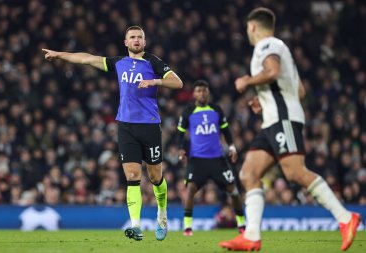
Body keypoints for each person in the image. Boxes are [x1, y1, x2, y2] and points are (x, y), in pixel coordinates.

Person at [219, 8, 361, 251]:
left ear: (253, 27)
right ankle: (252, 236)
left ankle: (347, 218)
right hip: (273, 120)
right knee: (248, 174)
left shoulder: (267, 46)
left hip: (282, 120)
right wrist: (264, 100)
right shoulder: (280, 48)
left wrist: (248, 82)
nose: (247, 32)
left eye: (247, 28)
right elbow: (300, 91)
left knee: (295, 172)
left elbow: (272, 71)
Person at [43, 26, 183, 241]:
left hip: (149, 125)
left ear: (144, 42)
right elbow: (87, 59)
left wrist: (155, 81)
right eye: (132, 37)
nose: (136, 40)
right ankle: (136, 227)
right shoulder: (118, 62)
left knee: (155, 178)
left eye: (140, 37)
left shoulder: (152, 61)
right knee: (133, 176)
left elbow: (178, 82)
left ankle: (162, 214)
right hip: (126, 126)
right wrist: (60, 55)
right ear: (125, 42)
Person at [177, 80, 245, 236]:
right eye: (199, 91)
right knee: (190, 191)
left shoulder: (217, 110)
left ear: (208, 93)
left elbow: (226, 131)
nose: (202, 93)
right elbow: (180, 133)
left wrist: (232, 146)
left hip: (217, 159)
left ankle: (241, 223)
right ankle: (187, 227)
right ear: (194, 94)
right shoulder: (188, 111)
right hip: (197, 159)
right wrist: (181, 148)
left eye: (204, 91)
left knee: (233, 191)